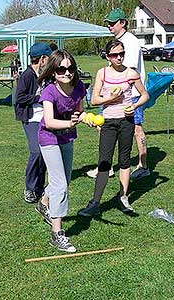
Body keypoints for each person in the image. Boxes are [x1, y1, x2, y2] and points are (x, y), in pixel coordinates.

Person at [78, 40, 149, 217]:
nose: (118, 57)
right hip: (108, 122)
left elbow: (145, 95)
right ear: (107, 56)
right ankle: (95, 202)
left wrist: (135, 105)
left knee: (125, 161)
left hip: (127, 120)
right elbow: (94, 100)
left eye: (121, 54)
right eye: (114, 55)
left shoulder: (131, 73)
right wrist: (110, 97)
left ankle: (123, 198)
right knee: (104, 162)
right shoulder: (102, 73)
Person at [86, 8, 149, 180]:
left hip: (132, 94)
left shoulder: (131, 41)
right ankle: (107, 166)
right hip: (114, 94)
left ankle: (143, 166)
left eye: (112, 23)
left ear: (123, 23)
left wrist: (118, 91)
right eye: (108, 23)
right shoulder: (119, 41)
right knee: (104, 126)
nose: (109, 26)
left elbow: (130, 71)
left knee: (136, 129)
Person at [37, 49, 89, 252]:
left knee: (64, 181)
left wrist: (89, 120)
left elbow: (81, 112)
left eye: (71, 68)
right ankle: (57, 234)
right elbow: (49, 122)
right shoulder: (49, 91)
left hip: (67, 137)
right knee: (61, 185)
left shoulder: (79, 88)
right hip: (48, 137)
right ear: (53, 71)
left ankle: (43, 202)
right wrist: (70, 122)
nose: (67, 73)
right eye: (61, 69)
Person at [15, 43, 52, 219]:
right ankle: (29, 188)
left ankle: (39, 188)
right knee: (36, 151)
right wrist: (39, 97)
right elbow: (20, 97)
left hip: (45, 118)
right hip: (31, 118)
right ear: (42, 58)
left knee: (45, 152)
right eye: (48, 58)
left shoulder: (46, 74)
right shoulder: (27, 75)